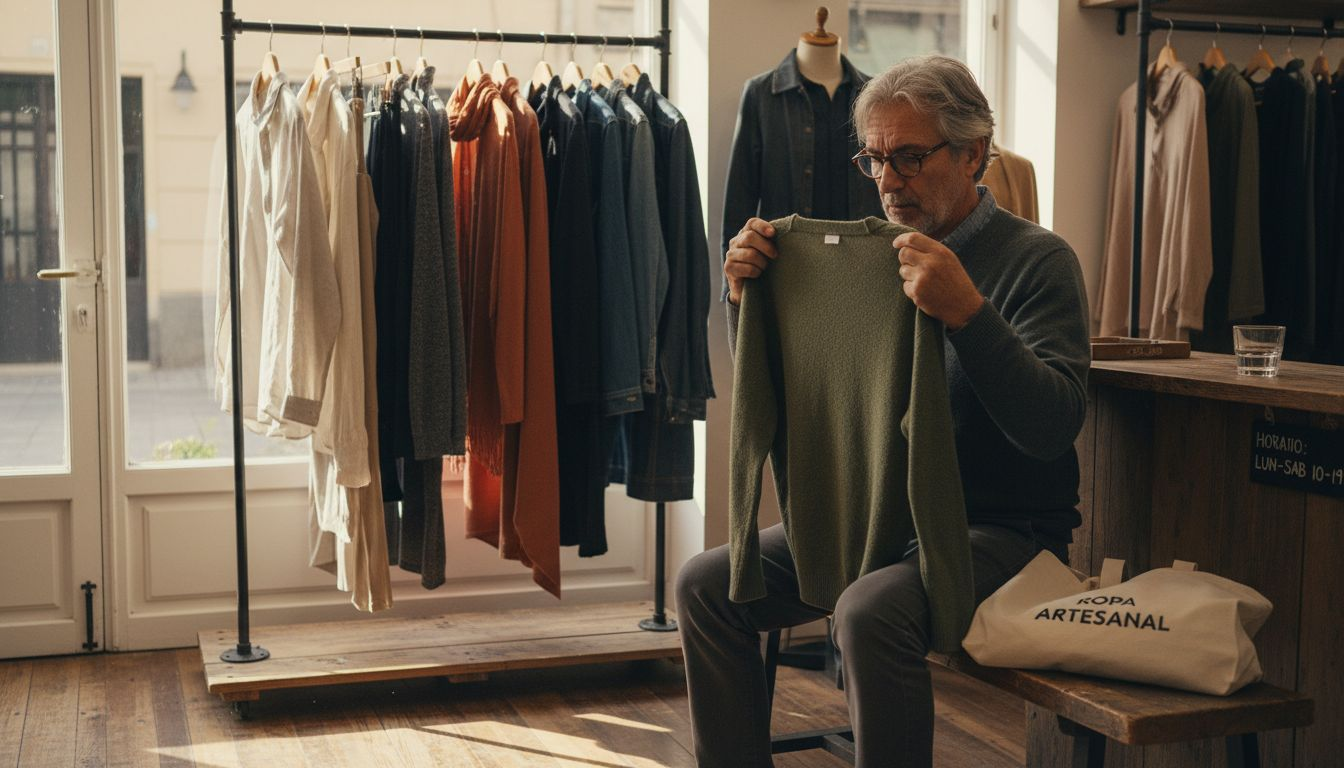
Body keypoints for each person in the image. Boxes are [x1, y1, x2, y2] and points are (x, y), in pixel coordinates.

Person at [676, 55, 1091, 767]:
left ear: (974, 153)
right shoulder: (866, 260)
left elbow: (1052, 427)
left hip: (1000, 529)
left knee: (868, 611)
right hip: (875, 520)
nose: (888, 180)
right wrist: (747, 302)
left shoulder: (1039, 261)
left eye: (909, 157)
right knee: (704, 586)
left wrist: (970, 315)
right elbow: (795, 393)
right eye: (873, 158)